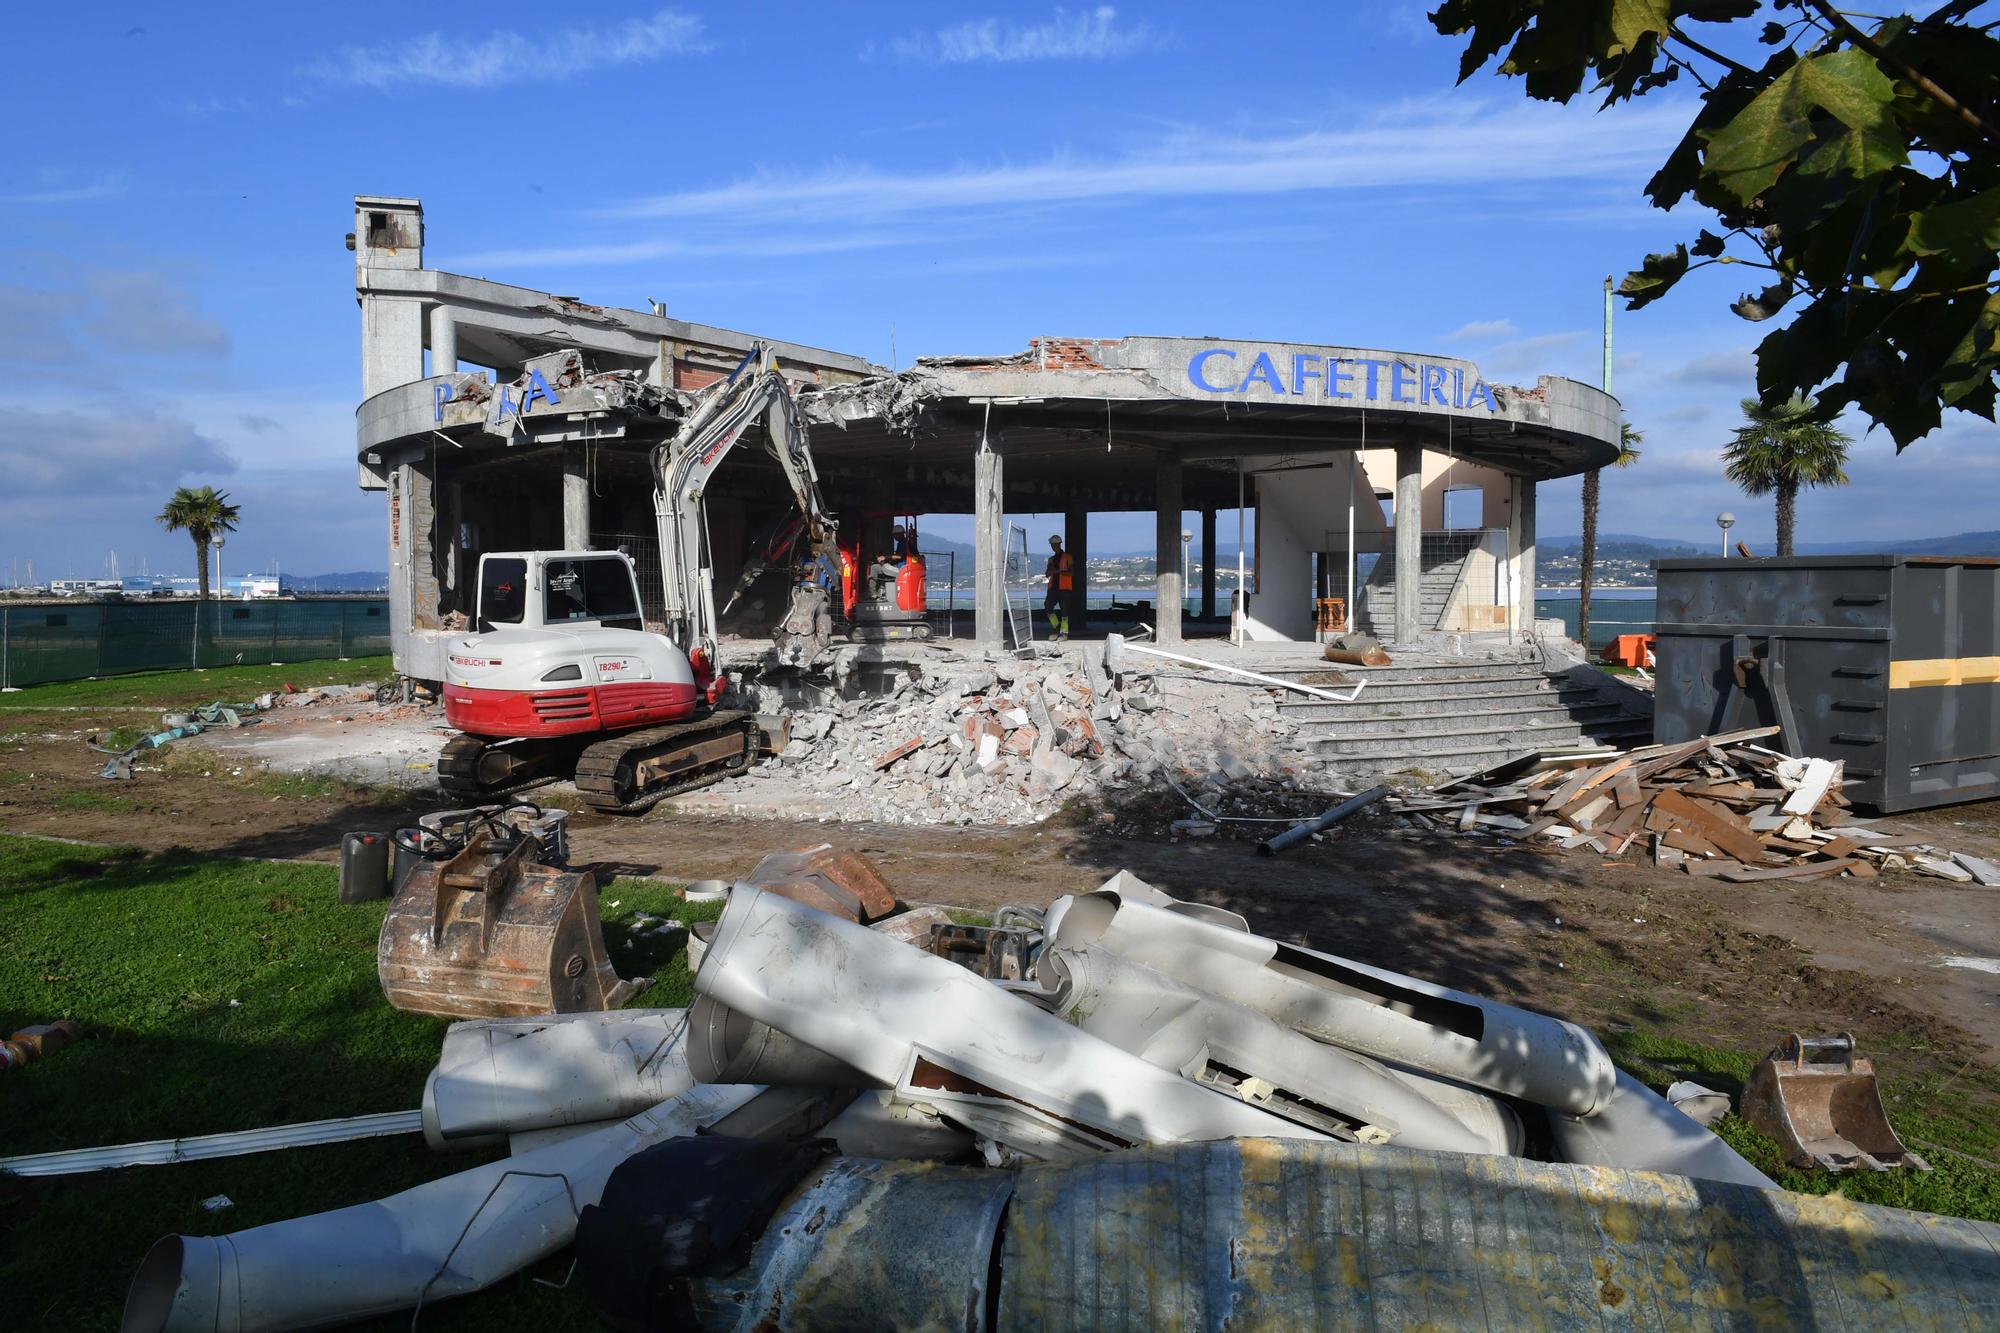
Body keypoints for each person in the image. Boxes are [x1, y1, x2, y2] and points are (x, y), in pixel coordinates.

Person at [1044, 534, 1072, 642]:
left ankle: (1064, 633)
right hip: (1053, 587)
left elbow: (1071, 571)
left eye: (1055, 544)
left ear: (1059, 544)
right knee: (1048, 606)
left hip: (1065, 588)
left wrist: (1058, 571)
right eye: (1052, 545)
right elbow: (1047, 573)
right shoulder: (1051, 559)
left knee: (1065, 610)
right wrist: (1050, 572)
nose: (1053, 546)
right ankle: (1056, 628)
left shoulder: (1068, 557)